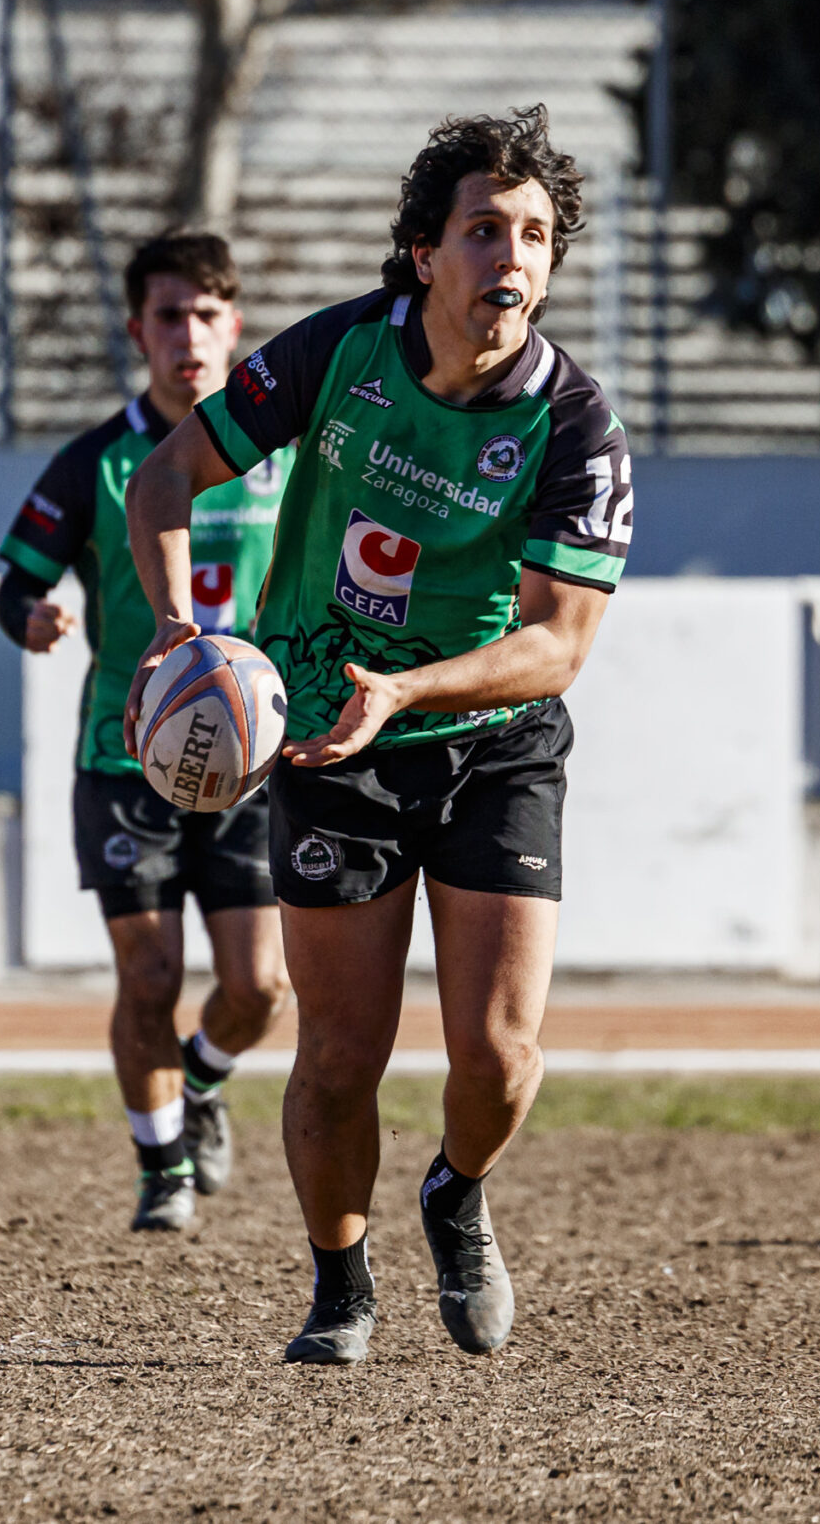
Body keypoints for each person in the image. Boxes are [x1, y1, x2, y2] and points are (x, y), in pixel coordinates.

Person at [123, 107, 632, 1363]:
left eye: (532, 236)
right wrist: (178, 634)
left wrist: (410, 690)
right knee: (341, 1054)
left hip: (493, 738)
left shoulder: (574, 426)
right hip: (329, 743)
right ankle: (339, 1284)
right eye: (480, 231)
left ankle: (456, 1192)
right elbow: (165, 478)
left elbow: (557, 643)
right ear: (422, 253)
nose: (508, 257)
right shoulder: (341, 350)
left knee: (500, 1055)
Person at [0, 233, 293, 1232]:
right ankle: (160, 1164)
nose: (189, 335)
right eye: (169, 316)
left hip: (251, 765)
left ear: (234, 328)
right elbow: (14, 586)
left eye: (208, 315)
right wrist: (29, 619)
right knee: (150, 976)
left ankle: (201, 1081)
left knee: (257, 990)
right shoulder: (96, 463)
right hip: (126, 758)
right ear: (139, 332)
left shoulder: (279, 455)